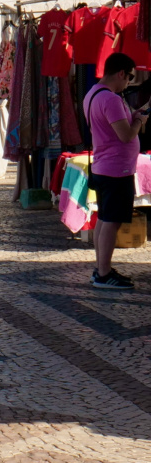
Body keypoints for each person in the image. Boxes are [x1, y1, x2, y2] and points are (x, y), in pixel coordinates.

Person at [84, 53, 147, 290]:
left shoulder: (92, 93)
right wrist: (139, 122)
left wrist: (134, 116)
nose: (129, 82)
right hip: (115, 169)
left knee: (104, 219)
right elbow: (125, 135)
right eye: (130, 77)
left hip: (104, 166)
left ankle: (102, 268)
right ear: (121, 73)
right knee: (111, 222)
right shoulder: (110, 99)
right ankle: (103, 273)